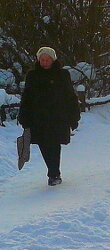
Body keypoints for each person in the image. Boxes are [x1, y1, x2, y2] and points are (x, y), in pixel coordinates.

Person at [17, 46, 80, 186]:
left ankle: (54, 174)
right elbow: (26, 97)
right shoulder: (32, 75)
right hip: (38, 118)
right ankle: (52, 171)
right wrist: (24, 117)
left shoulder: (62, 74)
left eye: (47, 59)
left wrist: (74, 117)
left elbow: (70, 96)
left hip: (58, 117)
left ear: (53, 60)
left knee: (54, 144)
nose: (45, 62)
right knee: (43, 144)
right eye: (42, 60)